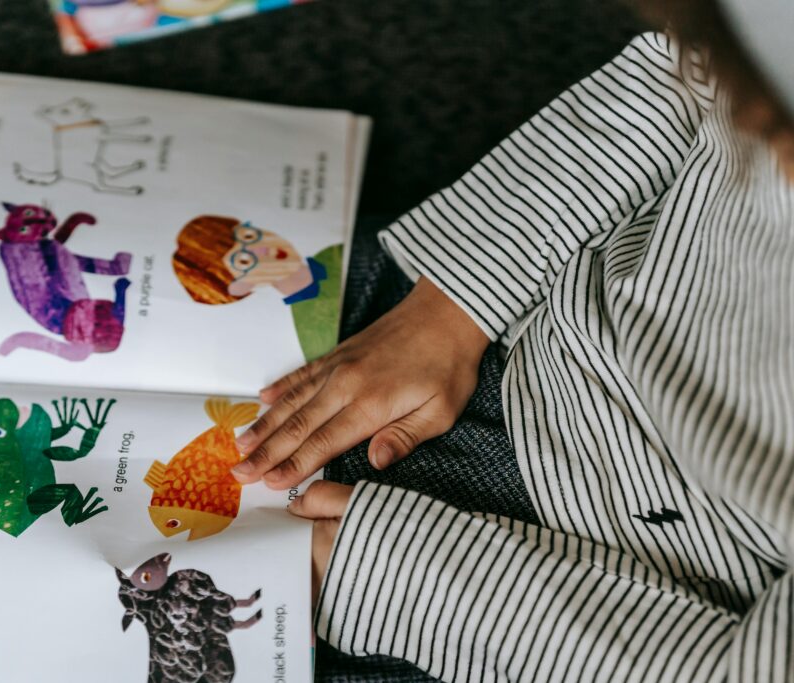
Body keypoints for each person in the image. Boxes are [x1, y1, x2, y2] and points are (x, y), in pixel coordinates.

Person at [231, 0, 794, 679]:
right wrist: (452, 305)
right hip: (527, 299)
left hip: (582, 600)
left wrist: (402, 578)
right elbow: (686, 69)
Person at [172, 214, 343, 360]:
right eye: (244, 260)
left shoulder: (336, 253)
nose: (262, 250)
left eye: (249, 236)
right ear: (240, 287)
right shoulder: (306, 329)